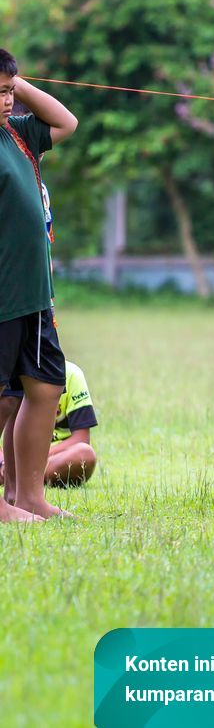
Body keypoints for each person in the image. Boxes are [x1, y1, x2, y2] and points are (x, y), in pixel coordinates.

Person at [0, 49, 78, 521]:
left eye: (8, 92)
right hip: (3, 293)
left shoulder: (18, 133)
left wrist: (17, 82)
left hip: (33, 293)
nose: (7, 101)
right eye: (0, 94)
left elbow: (66, 122)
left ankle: (29, 496)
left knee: (46, 387)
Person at [0, 361, 99, 498]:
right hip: (10, 457)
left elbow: (81, 438)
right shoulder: (12, 369)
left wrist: (37, 457)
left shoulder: (72, 374)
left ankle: (22, 476)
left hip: (55, 457)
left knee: (85, 454)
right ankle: (19, 474)